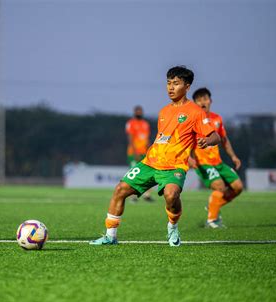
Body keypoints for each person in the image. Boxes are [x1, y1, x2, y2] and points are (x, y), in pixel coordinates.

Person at [90, 66, 220, 246]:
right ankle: (110, 236)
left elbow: (215, 136)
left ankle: (172, 227)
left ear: (187, 87)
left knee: (171, 195)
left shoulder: (196, 112)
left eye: (176, 83)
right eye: (168, 83)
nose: (170, 87)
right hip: (150, 162)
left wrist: (208, 141)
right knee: (120, 190)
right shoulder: (164, 111)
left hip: (174, 166)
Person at [189, 87, 243, 228]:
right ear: (194, 103)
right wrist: (189, 158)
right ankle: (212, 220)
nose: (202, 102)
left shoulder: (217, 119)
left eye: (205, 99)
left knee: (238, 187)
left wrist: (233, 156)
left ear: (210, 101)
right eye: (199, 100)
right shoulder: (192, 121)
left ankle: (213, 205)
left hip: (218, 162)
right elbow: (185, 142)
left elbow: (224, 140)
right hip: (203, 163)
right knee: (219, 186)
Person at [125, 105, 153, 202]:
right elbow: (130, 139)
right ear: (134, 112)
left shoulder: (146, 124)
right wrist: (135, 152)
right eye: (137, 111)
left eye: (140, 111)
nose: (139, 113)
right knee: (133, 174)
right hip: (134, 153)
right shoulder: (131, 123)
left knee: (148, 174)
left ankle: (147, 195)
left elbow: (147, 139)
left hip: (144, 153)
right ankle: (132, 196)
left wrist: (151, 150)